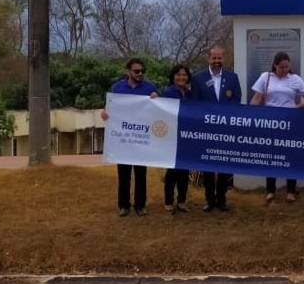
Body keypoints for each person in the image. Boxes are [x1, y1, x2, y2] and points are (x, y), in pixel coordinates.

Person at [251, 51, 304, 204]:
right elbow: (256, 98)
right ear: (275, 65)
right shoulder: (265, 77)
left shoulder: (295, 79)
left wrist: (299, 107)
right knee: (271, 156)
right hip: (270, 122)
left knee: (290, 155)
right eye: (281, 67)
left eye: (287, 67)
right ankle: (270, 190)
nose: (284, 70)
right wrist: (250, 116)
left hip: (290, 122)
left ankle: (291, 191)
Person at [102, 58, 158, 217]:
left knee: (141, 174)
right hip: (123, 139)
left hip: (141, 138)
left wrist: (156, 98)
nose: (140, 73)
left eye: (142, 71)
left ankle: (140, 205)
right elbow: (109, 106)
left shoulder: (150, 88)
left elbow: (158, 109)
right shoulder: (117, 87)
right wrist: (105, 112)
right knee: (124, 175)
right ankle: (123, 205)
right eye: (136, 71)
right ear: (129, 72)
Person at [190, 46, 241, 212]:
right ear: (208, 59)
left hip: (226, 129)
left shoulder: (232, 77)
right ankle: (209, 200)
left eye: (220, 58)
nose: (217, 61)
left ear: (223, 59)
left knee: (224, 164)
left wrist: (227, 119)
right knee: (208, 166)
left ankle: (222, 199)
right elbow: (195, 104)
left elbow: (236, 100)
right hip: (207, 129)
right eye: (214, 58)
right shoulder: (198, 78)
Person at [162, 64, 194, 214]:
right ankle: (168, 201)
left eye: (184, 75)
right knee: (172, 171)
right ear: (173, 77)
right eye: (178, 75)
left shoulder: (189, 94)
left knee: (184, 171)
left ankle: (181, 201)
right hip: (172, 136)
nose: (182, 77)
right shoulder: (168, 92)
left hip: (186, 136)